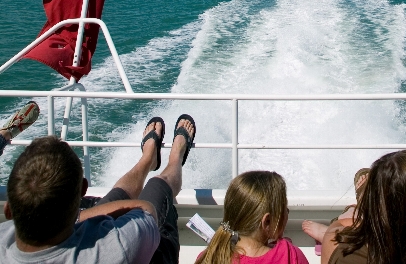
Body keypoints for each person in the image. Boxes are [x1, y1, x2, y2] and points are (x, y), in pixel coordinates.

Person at [0, 113, 197, 264]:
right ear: (82, 192)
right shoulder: (118, 248)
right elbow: (146, 209)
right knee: (158, 185)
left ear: (8, 210)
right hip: (149, 252)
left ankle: (148, 160)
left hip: (68, 227)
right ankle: (174, 157)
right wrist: (84, 217)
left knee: (116, 196)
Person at [195, 170, 309, 264]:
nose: (287, 213)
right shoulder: (291, 255)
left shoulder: (209, 257)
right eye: (285, 210)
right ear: (267, 221)